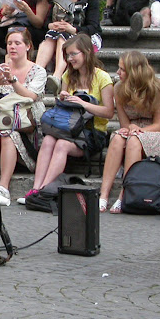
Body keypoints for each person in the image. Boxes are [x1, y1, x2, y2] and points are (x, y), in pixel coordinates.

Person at [23, 34, 114, 203]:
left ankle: (45, 190)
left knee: (62, 144)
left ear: (87, 52)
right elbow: (62, 108)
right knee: (49, 139)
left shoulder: (102, 78)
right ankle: (36, 187)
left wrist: (83, 104)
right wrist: (63, 98)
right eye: (68, 55)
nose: (70, 59)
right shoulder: (67, 76)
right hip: (68, 128)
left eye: (73, 54)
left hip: (91, 133)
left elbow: (109, 112)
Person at [98, 51, 160, 213]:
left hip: (155, 131)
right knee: (119, 138)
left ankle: (124, 194)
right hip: (132, 127)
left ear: (134, 72)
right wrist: (130, 129)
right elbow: (124, 122)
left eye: (122, 69)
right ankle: (103, 194)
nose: (118, 73)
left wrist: (139, 130)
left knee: (134, 140)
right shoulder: (119, 88)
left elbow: (159, 125)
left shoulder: (156, 89)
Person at [0, 28, 47, 206]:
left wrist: (13, 81)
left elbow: (31, 97)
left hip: (29, 127)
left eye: (17, 43)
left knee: (7, 133)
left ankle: (3, 187)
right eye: (9, 43)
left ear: (28, 46)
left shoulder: (38, 71)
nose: (12, 47)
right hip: (4, 120)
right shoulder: (1, 69)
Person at [35, 0, 101, 95]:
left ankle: (57, 77)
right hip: (60, 32)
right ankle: (37, 74)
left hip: (86, 35)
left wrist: (74, 29)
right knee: (51, 36)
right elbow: (47, 21)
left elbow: (94, 26)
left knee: (63, 37)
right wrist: (52, 25)